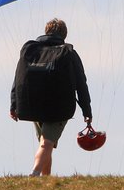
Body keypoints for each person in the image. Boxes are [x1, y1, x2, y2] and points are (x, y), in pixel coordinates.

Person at [10, 18, 92, 176]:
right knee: (47, 142)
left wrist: (14, 104)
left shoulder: (30, 51)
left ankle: (45, 179)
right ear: (64, 35)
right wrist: (87, 111)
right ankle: (34, 174)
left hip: (32, 103)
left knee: (44, 142)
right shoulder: (68, 53)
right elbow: (81, 83)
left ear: (46, 32)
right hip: (58, 106)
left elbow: (18, 78)